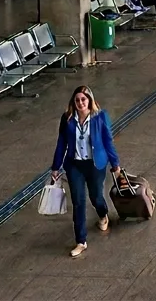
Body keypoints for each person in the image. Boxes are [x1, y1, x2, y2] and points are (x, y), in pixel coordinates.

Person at [49, 86, 120, 257]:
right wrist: (55, 167)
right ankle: (81, 241)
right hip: (75, 166)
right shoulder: (67, 119)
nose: (81, 103)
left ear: (90, 100)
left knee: (96, 196)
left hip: (95, 164)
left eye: (83, 99)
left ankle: (103, 215)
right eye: (77, 100)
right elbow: (61, 144)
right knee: (78, 202)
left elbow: (108, 141)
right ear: (73, 102)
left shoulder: (100, 117)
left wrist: (115, 165)